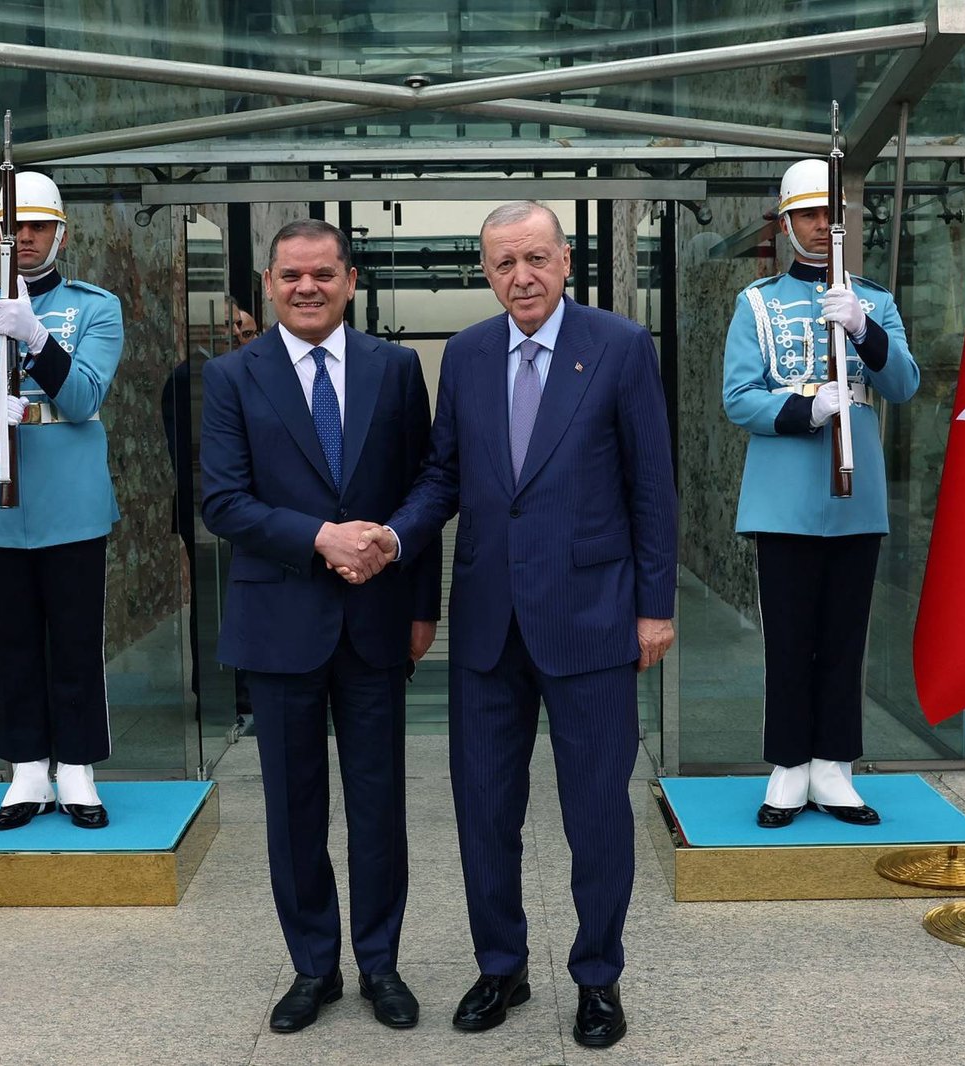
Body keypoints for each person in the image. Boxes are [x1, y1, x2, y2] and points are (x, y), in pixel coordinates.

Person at [359, 201, 677, 1049]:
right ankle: (501, 966)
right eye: (504, 263)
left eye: (536, 258)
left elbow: (652, 483)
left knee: (596, 813)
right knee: (484, 811)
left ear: (566, 261)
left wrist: (655, 608)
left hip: (593, 619)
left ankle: (598, 977)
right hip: (489, 625)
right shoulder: (465, 355)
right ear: (487, 272)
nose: (521, 276)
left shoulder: (619, 346)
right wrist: (395, 537)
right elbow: (443, 476)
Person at [198, 219, 440, 1034]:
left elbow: (425, 487)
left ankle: (380, 965)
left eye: (324, 274)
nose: (308, 288)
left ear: (351, 280)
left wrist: (422, 605)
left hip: (376, 622)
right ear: (269, 283)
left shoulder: (395, 369)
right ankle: (313, 968)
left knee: (378, 805)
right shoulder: (232, 376)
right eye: (292, 275)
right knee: (294, 807)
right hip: (280, 624)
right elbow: (222, 500)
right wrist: (320, 539)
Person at [720, 158, 919, 830]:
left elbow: (904, 385)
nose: (818, 224)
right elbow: (739, 397)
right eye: (806, 214)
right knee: (789, 640)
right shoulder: (756, 304)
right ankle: (788, 765)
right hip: (784, 497)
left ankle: (834, 766)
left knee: (843, 638)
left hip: (855, 499)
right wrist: (806, 408)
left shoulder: (874, 301)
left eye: (828, 214)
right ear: (786, 223)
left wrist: (864, 328)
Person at [0, 172, 123, 832]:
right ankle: (27, 770)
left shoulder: (96, 307)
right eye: (13, 227)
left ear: (60, 235)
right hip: (0, 502)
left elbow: (84, 397)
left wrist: (39, 341)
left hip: (71, 497)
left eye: (38, 226)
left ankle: (77, 767)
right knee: (12, 642)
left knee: (75, 640)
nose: (25, 238)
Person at [161, 299, 259, 731]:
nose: (238, 336)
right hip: (210, 511)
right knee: (213, 602)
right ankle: (218, 694)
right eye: (230, 327)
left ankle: (247, 686)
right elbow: (190, 458)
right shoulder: (189, 379)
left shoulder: (250, 374)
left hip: (251, 511)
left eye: (247, 331)